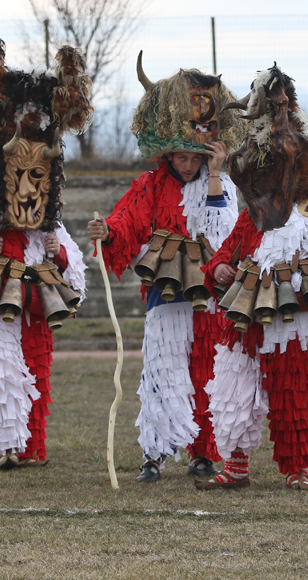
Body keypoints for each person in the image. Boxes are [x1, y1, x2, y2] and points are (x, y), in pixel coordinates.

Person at [200, 65, 308, 491]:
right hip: (246, 323)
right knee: (235, 386)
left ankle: (297, 469)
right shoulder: (249, 220)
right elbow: (222, 259)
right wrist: (219, 269)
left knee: (294, 391)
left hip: (295, 325)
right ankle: (235, 466)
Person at [88, 56, 243, 483]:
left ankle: (203, 453)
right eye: (182, 157)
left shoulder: (222, 184)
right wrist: (107, 231)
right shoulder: (150, 185)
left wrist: (214, 176)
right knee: (159, 370)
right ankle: (153, 454)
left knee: (206, 370)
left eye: (196, 157)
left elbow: (225, 233)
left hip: (208, 295)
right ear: (168, 152)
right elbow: (127, 221)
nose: (188, 165)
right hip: (165, 292)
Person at [0, 36, 90, 469]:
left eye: (37, 175)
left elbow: (77, 280)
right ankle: (9, 446)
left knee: (37, 374)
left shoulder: (52, 226)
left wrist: (58, 254)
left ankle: (33, 448)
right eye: (17, 175)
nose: (27, 186)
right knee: (1, 372)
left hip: (36, 311)